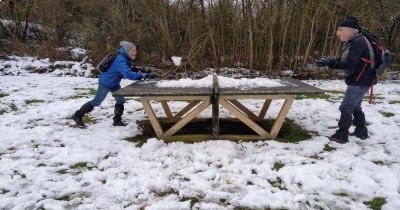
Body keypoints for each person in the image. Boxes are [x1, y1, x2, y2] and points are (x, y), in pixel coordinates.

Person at [315, 17, 375, 144]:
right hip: (362, 79)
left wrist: (330, 63)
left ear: (350, 31)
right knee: (355, 106)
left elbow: (349, 64)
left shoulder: (359, 42)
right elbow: (345, 59)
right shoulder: (354, 41)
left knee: (346, 107)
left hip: (360, 80)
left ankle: (341, 134)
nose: (338, 33)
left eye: (340, 29)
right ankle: (361, 131)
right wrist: (329, 61)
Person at [72, 41, 150, 127]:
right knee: (97, 101)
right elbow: (128, 74)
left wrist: (138, 70)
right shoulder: (120, 60)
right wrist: (141, 75)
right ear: (127, 50)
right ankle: (77, 115)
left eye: (135, 50)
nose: (135, 52)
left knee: (120, 100)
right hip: (106, 83)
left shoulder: (124, 57)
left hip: (114, 83)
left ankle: (117, 120)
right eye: (132, 50)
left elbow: (126, 69)